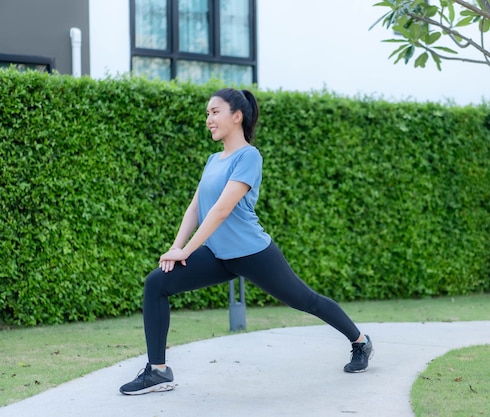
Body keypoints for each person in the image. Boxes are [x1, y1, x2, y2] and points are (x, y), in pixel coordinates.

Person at [119, 88, 374, 395]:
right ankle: (158, 372)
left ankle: (360, 342)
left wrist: (187, 250)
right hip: (218, 255)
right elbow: (197, 206)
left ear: (236, 116)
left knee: (305, 301)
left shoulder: (249, 156)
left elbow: (222, 210)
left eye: (215, 112)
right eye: (207, 114)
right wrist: (177, 246)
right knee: (157, 283)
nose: (209, 120)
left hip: (253, 252)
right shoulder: (214, 159)